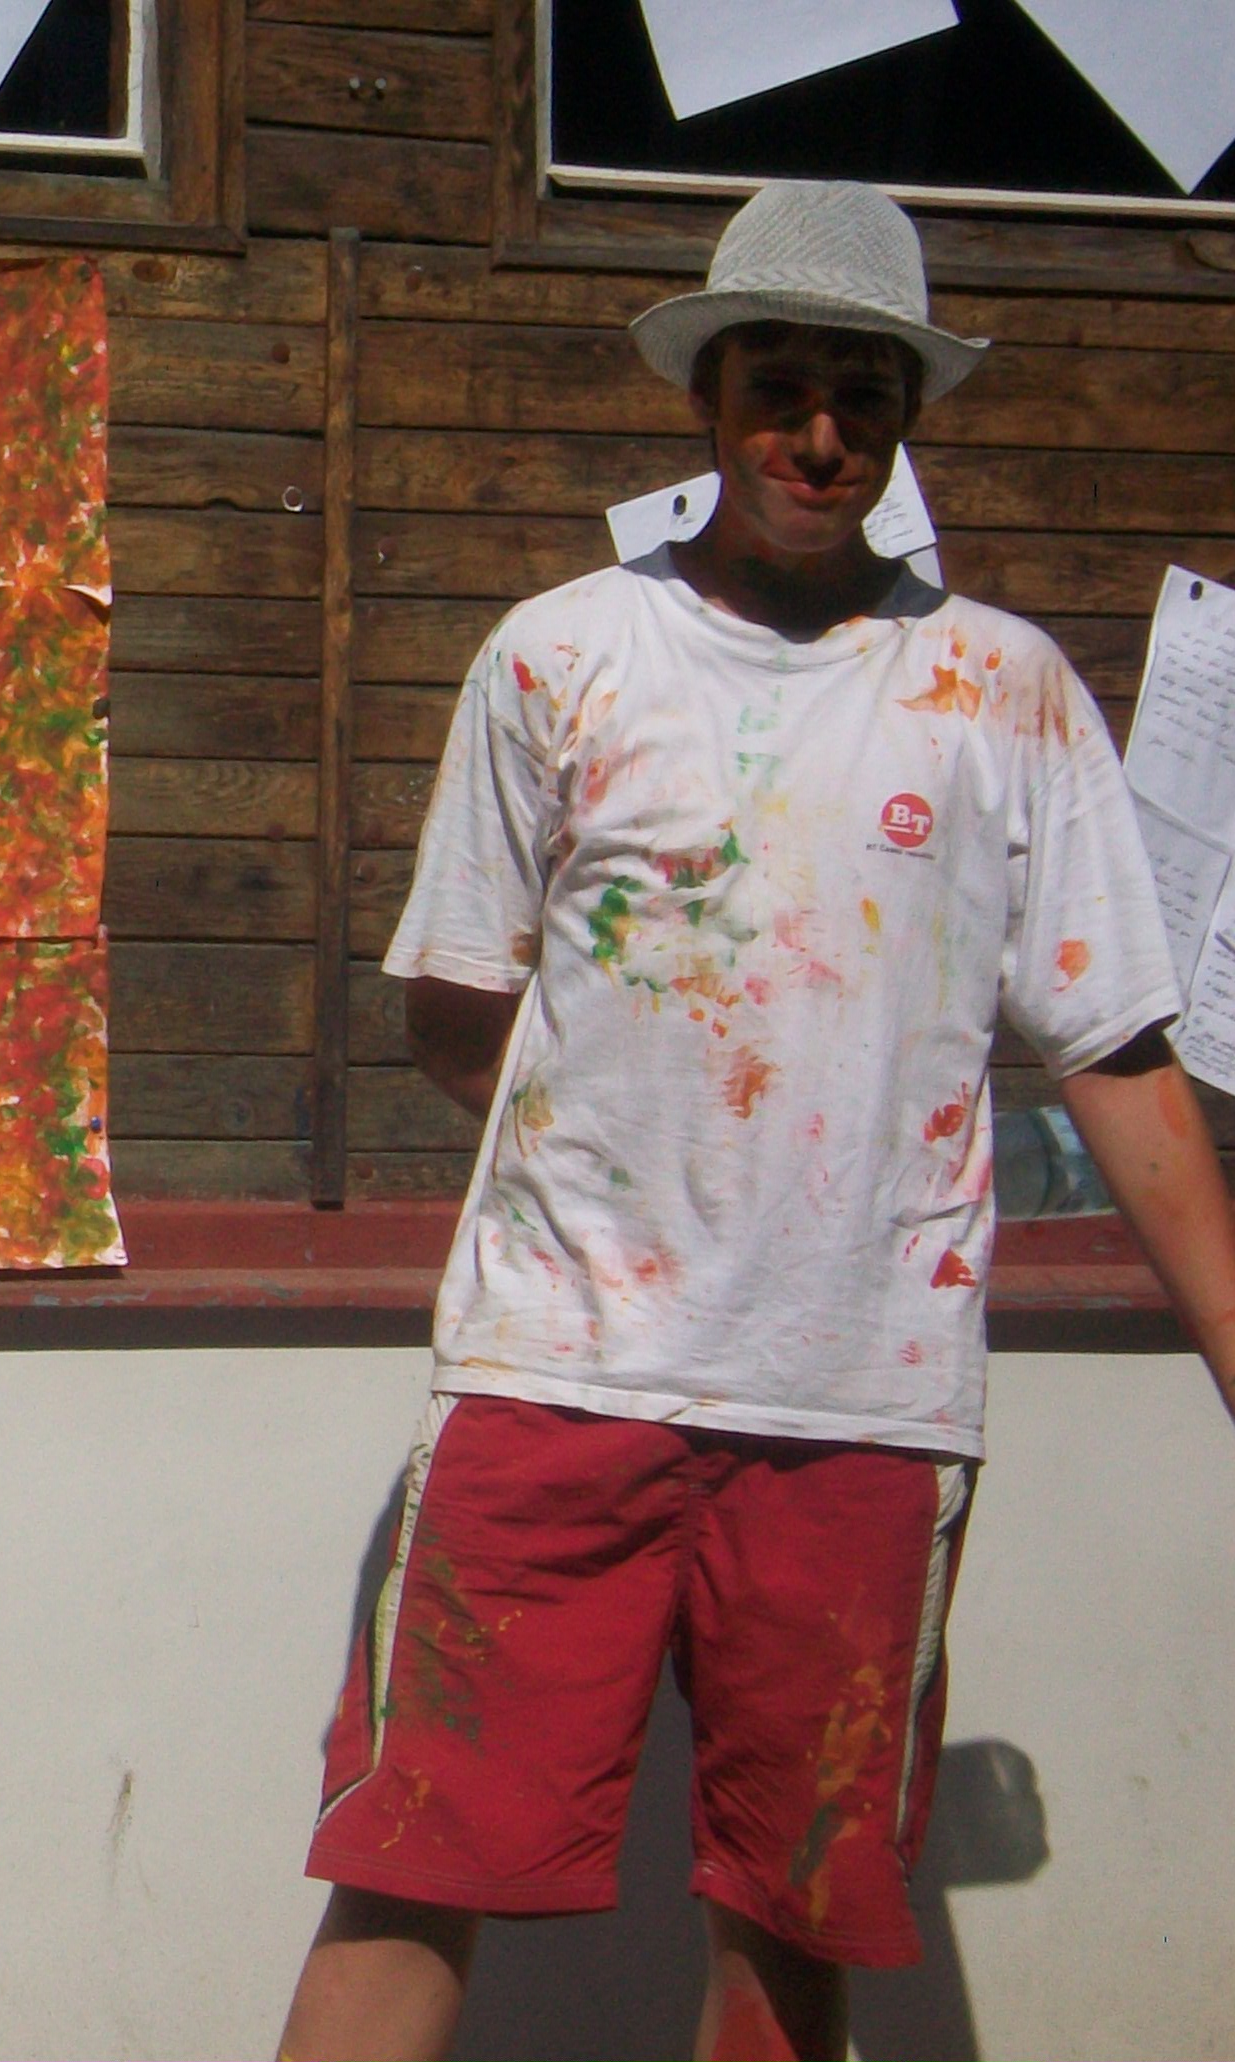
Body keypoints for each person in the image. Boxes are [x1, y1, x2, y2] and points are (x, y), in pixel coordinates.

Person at [271, 180, 1235, 2062]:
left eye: (862, 397)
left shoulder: (1004, 691)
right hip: (557, 1375)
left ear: (906, 421)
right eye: (778, 386)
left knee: (793, 1911)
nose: (817, 434)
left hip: (862, 1403)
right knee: (411, 1856)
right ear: (708, 399)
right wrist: (634, 1151)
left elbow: (1118, 1056)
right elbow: (457, 1006)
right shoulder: (560, 656)